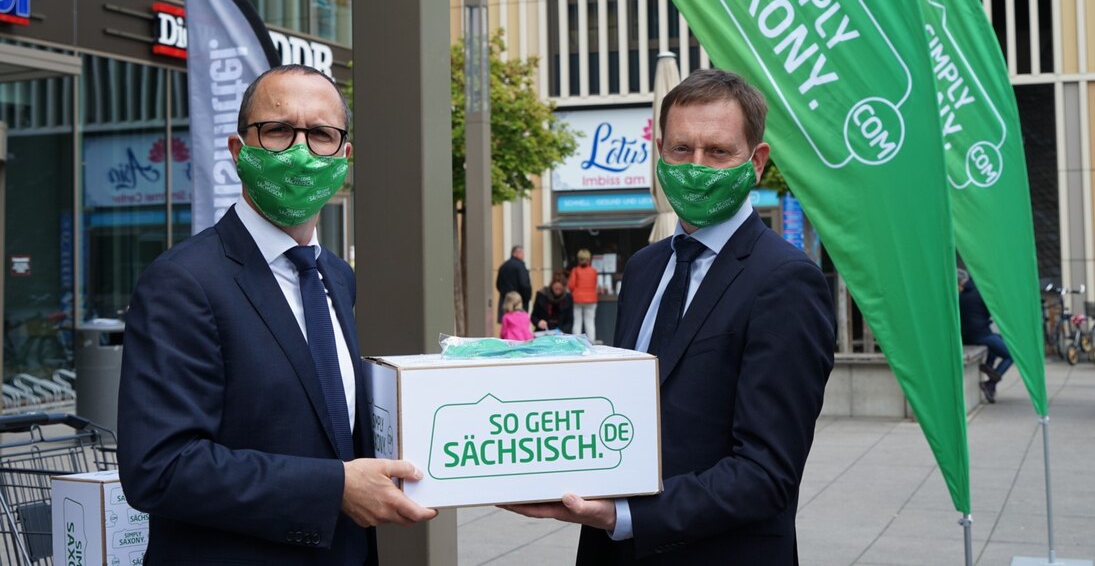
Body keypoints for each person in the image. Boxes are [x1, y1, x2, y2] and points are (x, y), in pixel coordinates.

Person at [506, 69, 836, 563]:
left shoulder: (787, 281)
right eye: (681, 150)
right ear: (659, 152)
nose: (696, 166)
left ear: (757, 162)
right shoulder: (645, 267)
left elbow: (767, 474)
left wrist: (623, 515)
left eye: (718, 151)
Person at [117, 65, 436, 564]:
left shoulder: (336, 275)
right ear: (239, 150)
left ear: (344, 156)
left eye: (321, 134)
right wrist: (334, 488)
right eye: (279, 130)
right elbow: (159, 467)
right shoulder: (182, 281)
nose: (300, 151)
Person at [957, 267, 1012, 404]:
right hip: (979, 335)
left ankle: (989, 370)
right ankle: (992, 380)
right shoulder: (978, 293)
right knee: (1010, 354)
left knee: (997, 340)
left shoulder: (960, 296)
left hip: (971, 335)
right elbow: (992, 310)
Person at [568, 249, 600, 341]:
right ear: (589, 259)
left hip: (577, 299)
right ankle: (591, 342)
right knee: (590, 322)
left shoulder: (575, 270)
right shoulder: (593, 271)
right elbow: (595, 284)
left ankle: (576, 342)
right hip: (591, 299)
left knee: (577, 322)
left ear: (578, 259)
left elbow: (571, 285)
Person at [496, 245, 532, 322]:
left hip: (505, 302)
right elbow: (524, 284)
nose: (523, 256)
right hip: (518, 303)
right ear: (517, 253)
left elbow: (498, 285)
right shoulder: (520, 266)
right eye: (522, 253)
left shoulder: (503, 266)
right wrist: (527, 298)